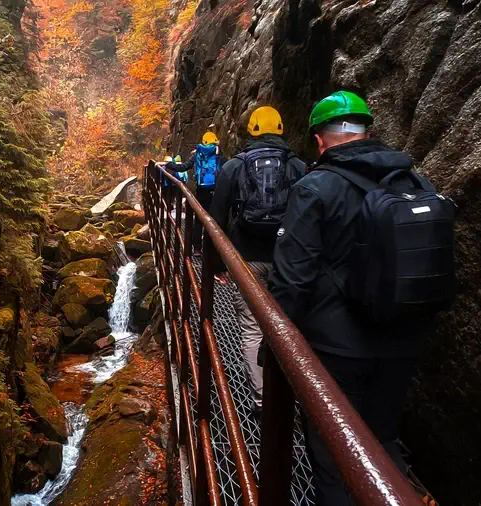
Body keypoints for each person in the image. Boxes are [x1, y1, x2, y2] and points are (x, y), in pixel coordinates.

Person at [268, 91, 454, 505]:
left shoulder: (315, 187)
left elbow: (292, 279)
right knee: (382, 439)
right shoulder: (414, 181)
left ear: (319, 139)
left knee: (334, 454)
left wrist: (275, 343)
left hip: (337, 351)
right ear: (367, 131)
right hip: (403, 340)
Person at [209, 106, 306, 411]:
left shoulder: (234, 167)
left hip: (245, 259)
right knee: (286, 324)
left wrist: (217, 264)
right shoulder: (298, 167)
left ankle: (263, 399)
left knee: (252, 327)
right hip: (286, 260)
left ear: (249, 131)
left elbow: (216, 218)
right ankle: (290, 394)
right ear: (280, 130)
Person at [176, 131, 225, 252]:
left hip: (201, 191)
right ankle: (210, 249)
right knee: (214, 220)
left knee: (199, 219)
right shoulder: (220, 157)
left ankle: (197, 248)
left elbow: (183, 167)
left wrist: (169, 165)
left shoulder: (197, 155)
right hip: (215, 192)